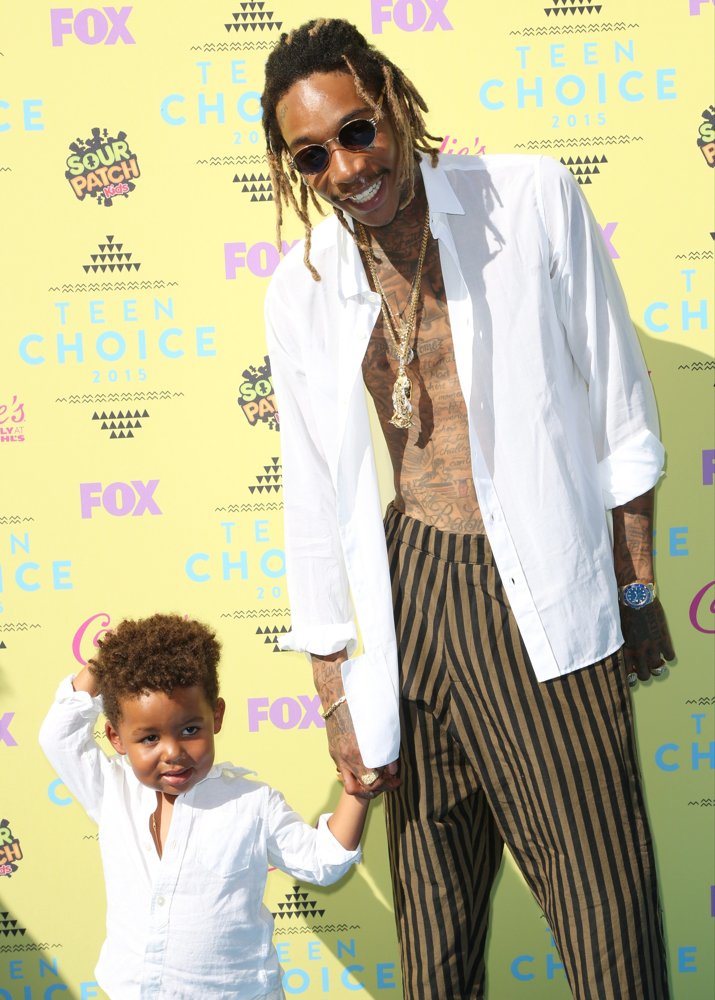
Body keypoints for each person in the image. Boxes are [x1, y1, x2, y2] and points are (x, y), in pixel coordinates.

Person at [261, 17, 676, 1000]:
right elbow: (313, 489)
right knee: (435, 930)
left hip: (532, 576)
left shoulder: (526, 200)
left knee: (603, 908)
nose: (343, 167)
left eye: (356, 132)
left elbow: (620, 405)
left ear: (394, 99)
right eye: (311, 154)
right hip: (411, 591)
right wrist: (334, 696)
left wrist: (634, 586)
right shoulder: (304, 285)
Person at [39, 613, 370, 1000]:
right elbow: (58, 736)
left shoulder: (251, 804)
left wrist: (358, 789)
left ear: (217, 716)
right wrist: (105, 661)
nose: (173, 752)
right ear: (115, 736)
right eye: (148, 737)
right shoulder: (111, 790)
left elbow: (323, 861)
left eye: (190, 730)